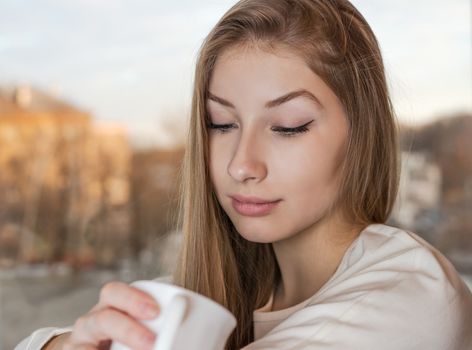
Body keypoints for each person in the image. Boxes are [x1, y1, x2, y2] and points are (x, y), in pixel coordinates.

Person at [15, 0, 472, 349]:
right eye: (221, 124)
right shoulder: (214, 293)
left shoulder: (406, 297)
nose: (240, 164)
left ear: (361, 133)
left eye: (288, 126)